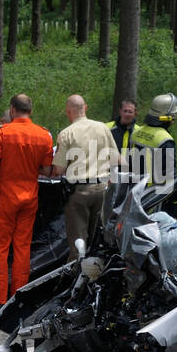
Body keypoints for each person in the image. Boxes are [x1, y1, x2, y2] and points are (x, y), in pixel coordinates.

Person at [0, 93, 55, 306]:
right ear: (30, 111)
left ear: (12, 110)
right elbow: (46, 169)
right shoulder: (44, 135)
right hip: (29, 196)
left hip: (5, 197)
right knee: (23, 247)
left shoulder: (1, 134)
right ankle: (18, 297)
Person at [53, 94, 116, 257]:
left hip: (78, 192)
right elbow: (114, 158)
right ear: (85, 108)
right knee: (98, 240)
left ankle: (76, 277)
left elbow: (59, 170)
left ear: (68, 112)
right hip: (102, 190)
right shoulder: (103, 128)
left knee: (78, 242)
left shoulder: (66, 133)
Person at [131, 92, 177, 218]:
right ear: (166, 118)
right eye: (173, 115)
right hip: (153, 198)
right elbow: (169, 178)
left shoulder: (137, 132)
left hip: (134, 191)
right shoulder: (165, 140)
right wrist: (174, 204)